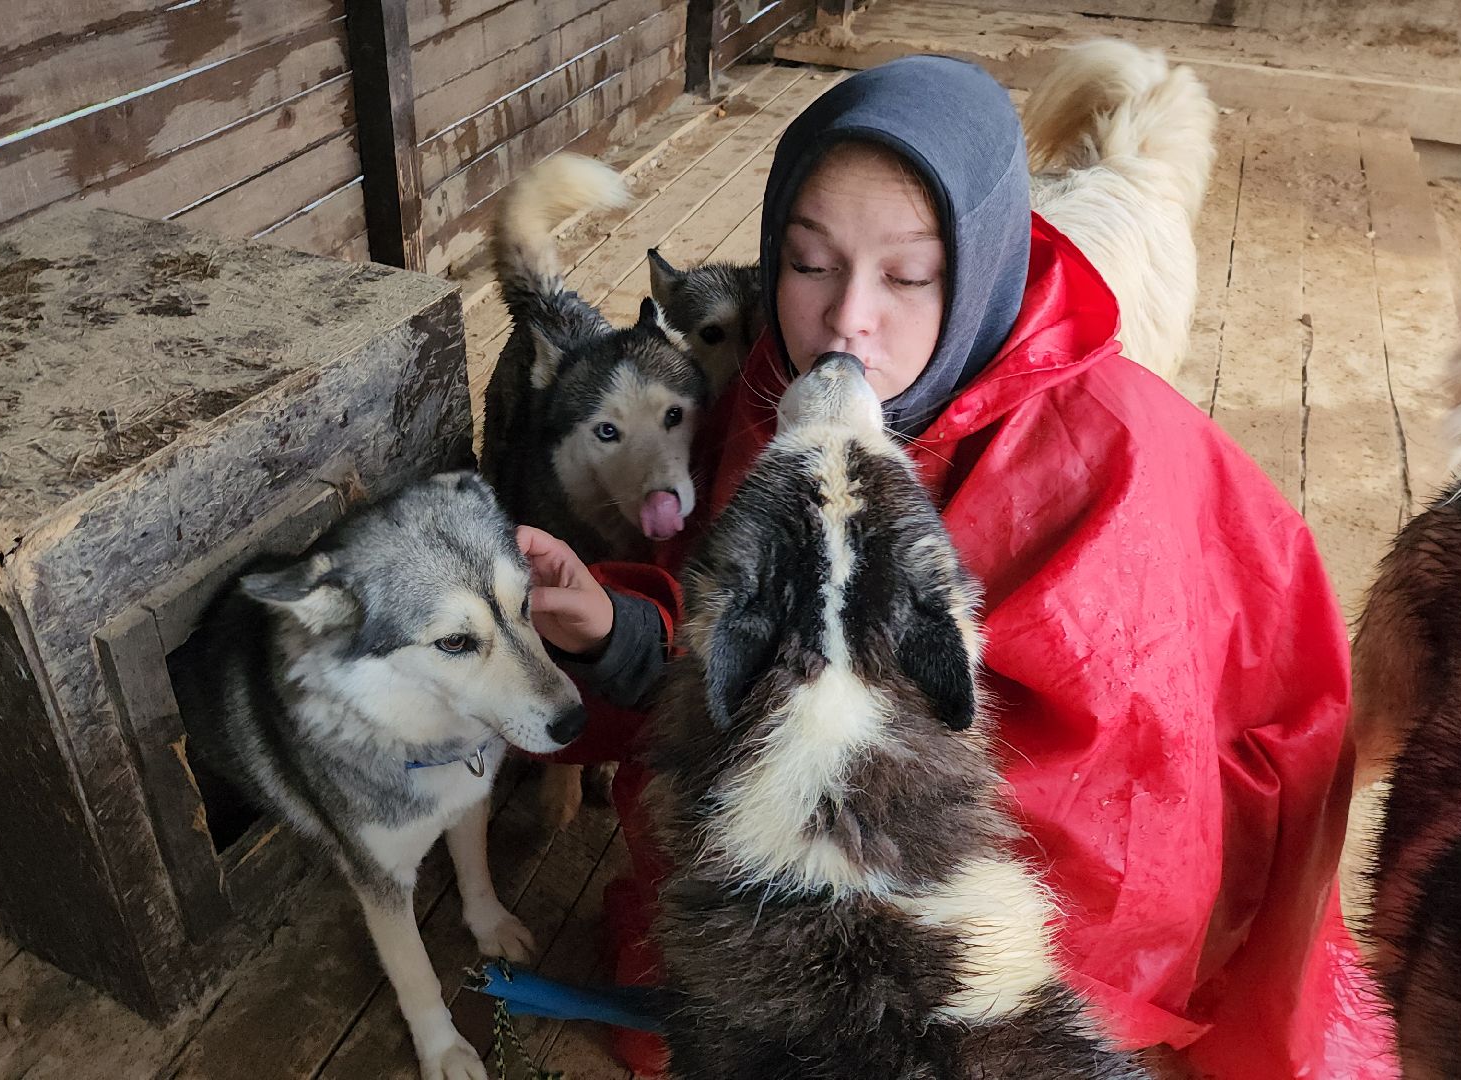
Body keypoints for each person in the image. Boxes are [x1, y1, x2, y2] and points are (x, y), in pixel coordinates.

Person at [516, 55, 1396, 1078]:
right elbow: (766, 617)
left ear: (972, 266)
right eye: (807, 264)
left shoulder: (1106, 457)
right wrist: (621, 631)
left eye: (907, 276)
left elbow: (1124, 829)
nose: (846, 321)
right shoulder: (776, 385)